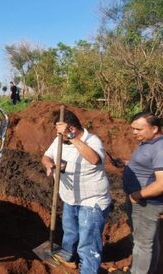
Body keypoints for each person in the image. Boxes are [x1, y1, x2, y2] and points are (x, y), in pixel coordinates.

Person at [41, 109, 111, 273]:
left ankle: (88, 269)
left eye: (62, 132)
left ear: (71, 129)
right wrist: (48, 164)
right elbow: (46, 156)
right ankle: (68, 258)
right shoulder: (60, 140)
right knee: (70, 232)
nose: (59, 136)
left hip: (91, 201)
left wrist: (71, 138)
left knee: (88, 243)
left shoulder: (93, 141)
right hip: (69, 198)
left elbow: (94, 159)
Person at [121, 112, 163, 274]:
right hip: (141, 202)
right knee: (148, 240)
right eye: (133, 129)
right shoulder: (149, 142)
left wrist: (136, 196)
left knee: (142, 244)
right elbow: (148, 165)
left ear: (154, 128)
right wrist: (128, 164)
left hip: (147, 204)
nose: (134, 132)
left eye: (138, 129)